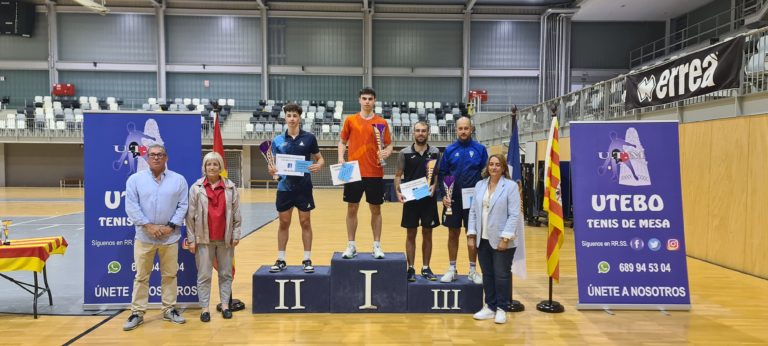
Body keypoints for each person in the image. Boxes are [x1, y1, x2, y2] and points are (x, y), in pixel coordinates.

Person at [123, 144, 189, 331]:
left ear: (166, 157)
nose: (156, 158)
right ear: (147, 158)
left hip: (170, 237)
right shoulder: (135, 180)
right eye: (153, 155)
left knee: (169, 275)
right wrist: (148, 226)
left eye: (160, 155)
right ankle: (137, 312)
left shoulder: (179, 180)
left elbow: (183, 206)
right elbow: (131, 206)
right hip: (144, 236)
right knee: (142, 276)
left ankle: (169, 309)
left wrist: (170, 227)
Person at [185, 151, 242, 322]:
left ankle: (225, 305)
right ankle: (204, 308)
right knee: (204, 275)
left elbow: (237, 214)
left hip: (225, 239)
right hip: (203, 239)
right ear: (204, 167)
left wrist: (236, 234)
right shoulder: (196, 188)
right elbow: (190, 217)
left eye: (215, 164)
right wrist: (192, 239)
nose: (212, 167)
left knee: (225, 274)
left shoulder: (231, 187)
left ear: (220, 167)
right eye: (209, 164)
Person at [268, 103, 325, 273]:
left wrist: (319, 165)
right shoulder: (277, 141)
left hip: (304, 187)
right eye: (289, 116)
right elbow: (272, 166)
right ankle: (281, 259)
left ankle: (307, 259)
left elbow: (320, 159)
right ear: (285, 118)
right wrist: (272, 171)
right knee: (284, 223)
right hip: (284, 188)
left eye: (295, 116)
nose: (292, 119)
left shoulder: (309, 138)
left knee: (305, 222)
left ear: (299, 118)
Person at [337, 88, 393, 259]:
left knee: (375, 209)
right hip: (352, 171)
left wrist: (387, 152)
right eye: (364, 98)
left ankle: (376, 245)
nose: (367, 101)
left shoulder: (382, 122)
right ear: (359, 100)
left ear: (374, 100)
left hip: (375, 171)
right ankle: (351, 245)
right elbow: (342, 141)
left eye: (370, 98)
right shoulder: (350, 120)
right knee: (351, 207)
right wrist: (340, 156)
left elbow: (389, 145)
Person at [467, 154, 521, 324]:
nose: (494, 167)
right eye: (491, 164)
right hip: (482, 239)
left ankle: (501, 308)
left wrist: (505, 238)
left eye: (498, 165)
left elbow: (514, 215)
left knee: (502, 275)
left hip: (501, 241)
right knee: (488, 274)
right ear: (487, 167)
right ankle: (489, 307)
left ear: (503, 168)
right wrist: (471, 234)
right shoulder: (480, 185)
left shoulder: (510, 186)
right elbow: (473, 211)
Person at [438, 116, 488, 284]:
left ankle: (473, 270)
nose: (463, 131)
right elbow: (443, 174)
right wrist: (444, 195)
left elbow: (486, 175)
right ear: (456, 130)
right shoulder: (450, 150)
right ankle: (452, 268)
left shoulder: (480, 150)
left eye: (466, 128)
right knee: (452, 234)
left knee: (472, 235)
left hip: (473, 201)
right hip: (452, 200)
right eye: (460, 128)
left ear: (471, 129)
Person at [395, 121, 440, 282]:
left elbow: (436, 174)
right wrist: (398, 192)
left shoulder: (435, 152)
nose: (421, 133)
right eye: (418, 131)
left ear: (428, 133)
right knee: (411, 234)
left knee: (428, 233)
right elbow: (398, 175)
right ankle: (411, 268)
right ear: (413, 133)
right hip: (411, 200)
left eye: (424, 131)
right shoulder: (404, 153)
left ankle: (426, 267)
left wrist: (435, 185)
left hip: (428, 199)